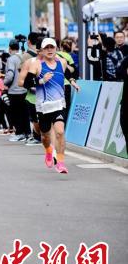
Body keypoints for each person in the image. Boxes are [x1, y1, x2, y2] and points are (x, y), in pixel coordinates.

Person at [18, 38, 80, 174]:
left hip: (59, 104)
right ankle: (48, 151)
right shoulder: (37, 65)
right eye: (47, 48)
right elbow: (26, 83)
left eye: (52, 47)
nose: (50, 50)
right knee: (45, 136)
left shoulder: (62, 62)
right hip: (43, 106)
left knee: (60, 131)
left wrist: (73, 81)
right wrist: (41, 80)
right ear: (42, 50)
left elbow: (68, 74)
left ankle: (61, 162)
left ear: (56, 48)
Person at [4, 41, 30, 142]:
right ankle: (27, 133)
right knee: (24, 113)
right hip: (24, 89)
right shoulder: (23, 57)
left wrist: (4, 83)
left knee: (15, 113)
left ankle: (19, 133)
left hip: (14, 90)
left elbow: (10, 75)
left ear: (10, 48)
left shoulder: (11, 59)